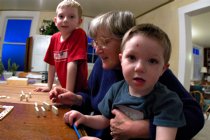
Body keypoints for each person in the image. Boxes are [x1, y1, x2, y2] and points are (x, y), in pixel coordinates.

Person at [49, 11, 204, 139]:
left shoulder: (153, 74)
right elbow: (93, 99)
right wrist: (76, 98)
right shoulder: (100, 65)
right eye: (95, 42)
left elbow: (195, 117)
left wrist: (142, 128)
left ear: (125, 39)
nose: (97, 49)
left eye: (104, 41)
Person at [34, 0, 88, 93]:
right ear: (55, 21)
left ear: (79, 22)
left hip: (80, 91)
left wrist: (68, 93)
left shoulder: (79, 34)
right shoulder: (54, 38)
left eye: (71, 17)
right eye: (61, 16)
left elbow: (72, 63)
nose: (65, 20)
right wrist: (49, 86)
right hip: (65, 88)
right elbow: (52, 63)